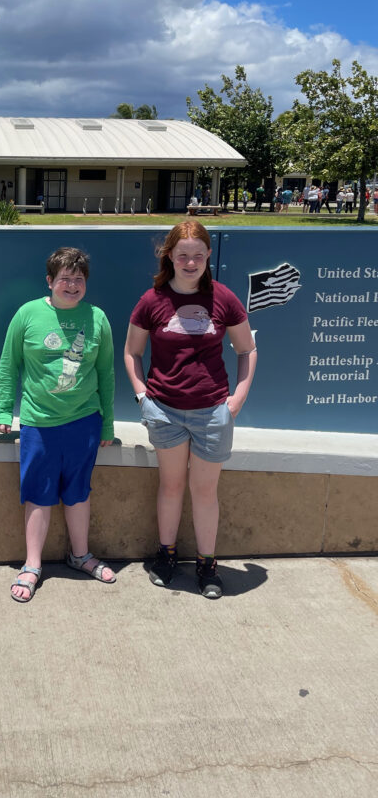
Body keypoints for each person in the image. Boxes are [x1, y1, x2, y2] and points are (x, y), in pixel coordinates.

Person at [123, 221, 257, 599]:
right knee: (171, 486)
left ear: (208, 256)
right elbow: (132, 353)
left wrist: (238, 398)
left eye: (198, 254)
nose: (190, 262)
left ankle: (206, 564)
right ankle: (165, 555)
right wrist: (141, 397)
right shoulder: (152, 300)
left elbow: (247, 350)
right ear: (170, 255)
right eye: (182, 254)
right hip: (164, 410)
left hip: (212, 411)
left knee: (204, 491)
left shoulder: (224, 299)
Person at [0, 246, 116, 602]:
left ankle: (81, 555)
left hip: (84, 422)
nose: (72, 285)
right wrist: (3, 412)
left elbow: (106, 374)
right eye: (65, 279)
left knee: (78, 493)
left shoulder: (98, 319)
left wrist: (107, 425)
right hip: (39, 423)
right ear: (50, 281)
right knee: (39, 495)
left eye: (79, 279)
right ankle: (32, 565)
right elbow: (8, 364)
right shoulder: (27, 314)